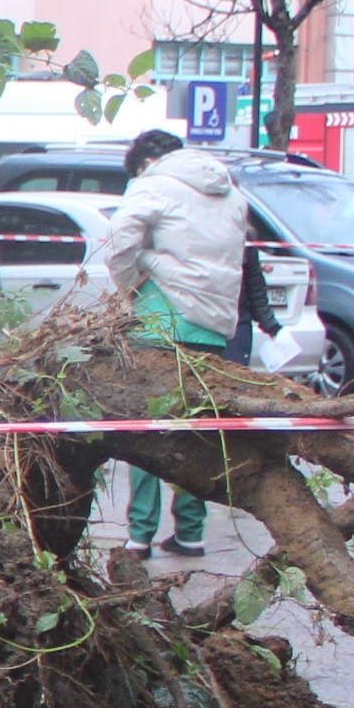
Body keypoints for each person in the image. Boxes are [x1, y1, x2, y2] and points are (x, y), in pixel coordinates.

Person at [93, 126, 250, 557]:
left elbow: (120, 238)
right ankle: (191, 532)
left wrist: (132, 276)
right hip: (213, 328)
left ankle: (140, 534)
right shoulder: (233, 195)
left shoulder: (154, 184)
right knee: (194, 431)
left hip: (161, 322)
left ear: (144, 164)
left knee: (147, 430)